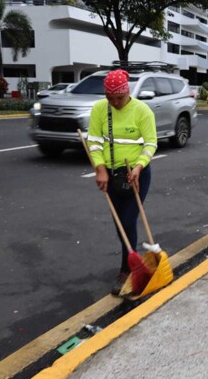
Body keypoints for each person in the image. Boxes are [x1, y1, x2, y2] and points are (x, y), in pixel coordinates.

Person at [87, 69, 158, 295]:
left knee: (127, 220)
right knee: (121, 224)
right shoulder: (100, 109)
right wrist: (100, 169)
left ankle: (127, 268)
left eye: (119, 97)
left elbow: (150, 143)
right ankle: (131, 259)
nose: (115, 102)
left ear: (127, 92)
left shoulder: (142, 111)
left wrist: (138, 167)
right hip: (111, 174)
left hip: (136, 172)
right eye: (110, 98)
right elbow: (95, 142)